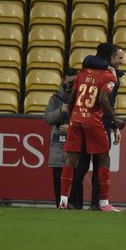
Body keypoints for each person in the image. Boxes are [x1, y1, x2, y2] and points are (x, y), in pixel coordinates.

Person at [57, 61, 126, 211]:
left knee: (70, 160)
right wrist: (115, 121)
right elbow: (102, 98)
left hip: (76, 119)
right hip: (93, 121)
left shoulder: (82, 74)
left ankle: (62, 201)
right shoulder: (109, 76)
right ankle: (103, 203)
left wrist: (71, 118)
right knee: (103, 159)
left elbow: (72, 98)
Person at [45, 68, 78, 205]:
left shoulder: (83, 98)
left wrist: (72, 127)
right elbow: (47, 118)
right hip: (58, 145)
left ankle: (76, 205)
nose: (71, 86)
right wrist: (60, 110)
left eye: (74, 82)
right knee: (57, 179)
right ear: (64, 80)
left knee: (76, 180)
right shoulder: (55, 98)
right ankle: (60, 205)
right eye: (69, 82)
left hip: (75, 143)